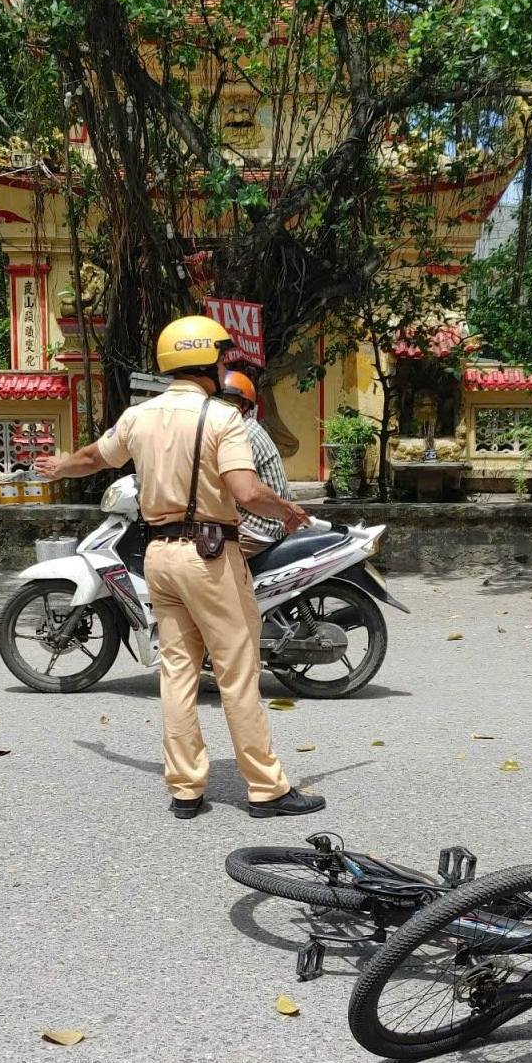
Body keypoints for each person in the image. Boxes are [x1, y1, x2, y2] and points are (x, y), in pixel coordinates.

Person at [38, 317, 324, 820]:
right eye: (221, 359)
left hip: (159, 558)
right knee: (236, 673)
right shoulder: (222, 419)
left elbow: (92, 458)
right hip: (210, 555)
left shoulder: (139, 417)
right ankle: (266, 788)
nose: (223, 366)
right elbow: (245, 491)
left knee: (177, 673)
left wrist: (59, 465)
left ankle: (186, 789)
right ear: (208, 362)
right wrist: (291, 512)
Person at [218, 369, 291, 561]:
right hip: (263, 518)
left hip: (259, 526)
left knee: (202, 563)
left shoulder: (240, 432)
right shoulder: (242, 426)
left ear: (243, 405)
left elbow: (242, 492)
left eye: (228, 400)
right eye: (219, 399)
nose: (220, 406)